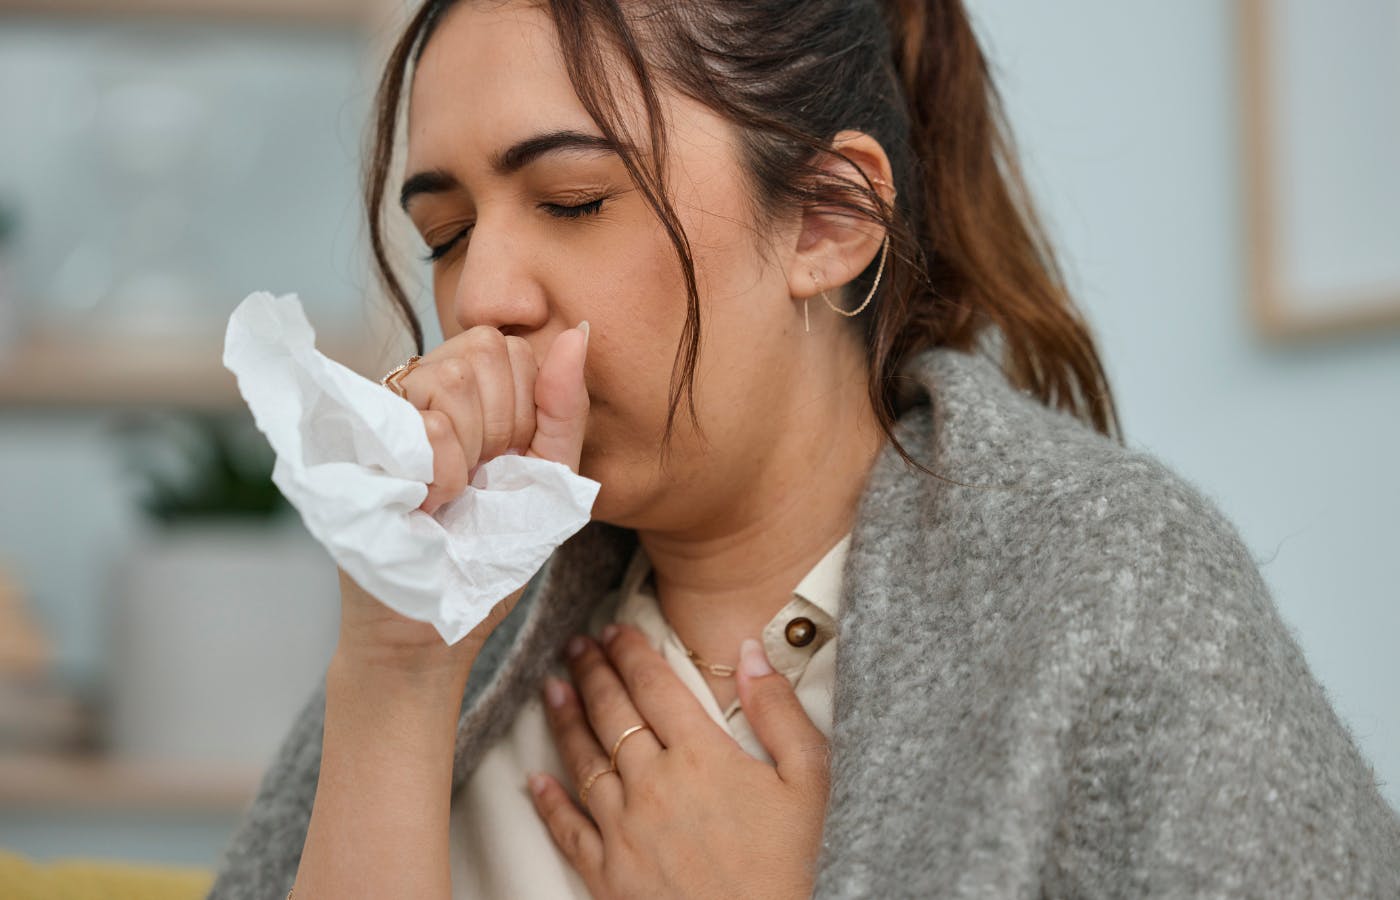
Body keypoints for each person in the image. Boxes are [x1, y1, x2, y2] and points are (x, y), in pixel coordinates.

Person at [208, 0, 1400, 897]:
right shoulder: (457, 632)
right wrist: (397, 677)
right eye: (446, 234)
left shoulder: (1112, 584)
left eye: (572, 200)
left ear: (829, 218)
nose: (483, 297)